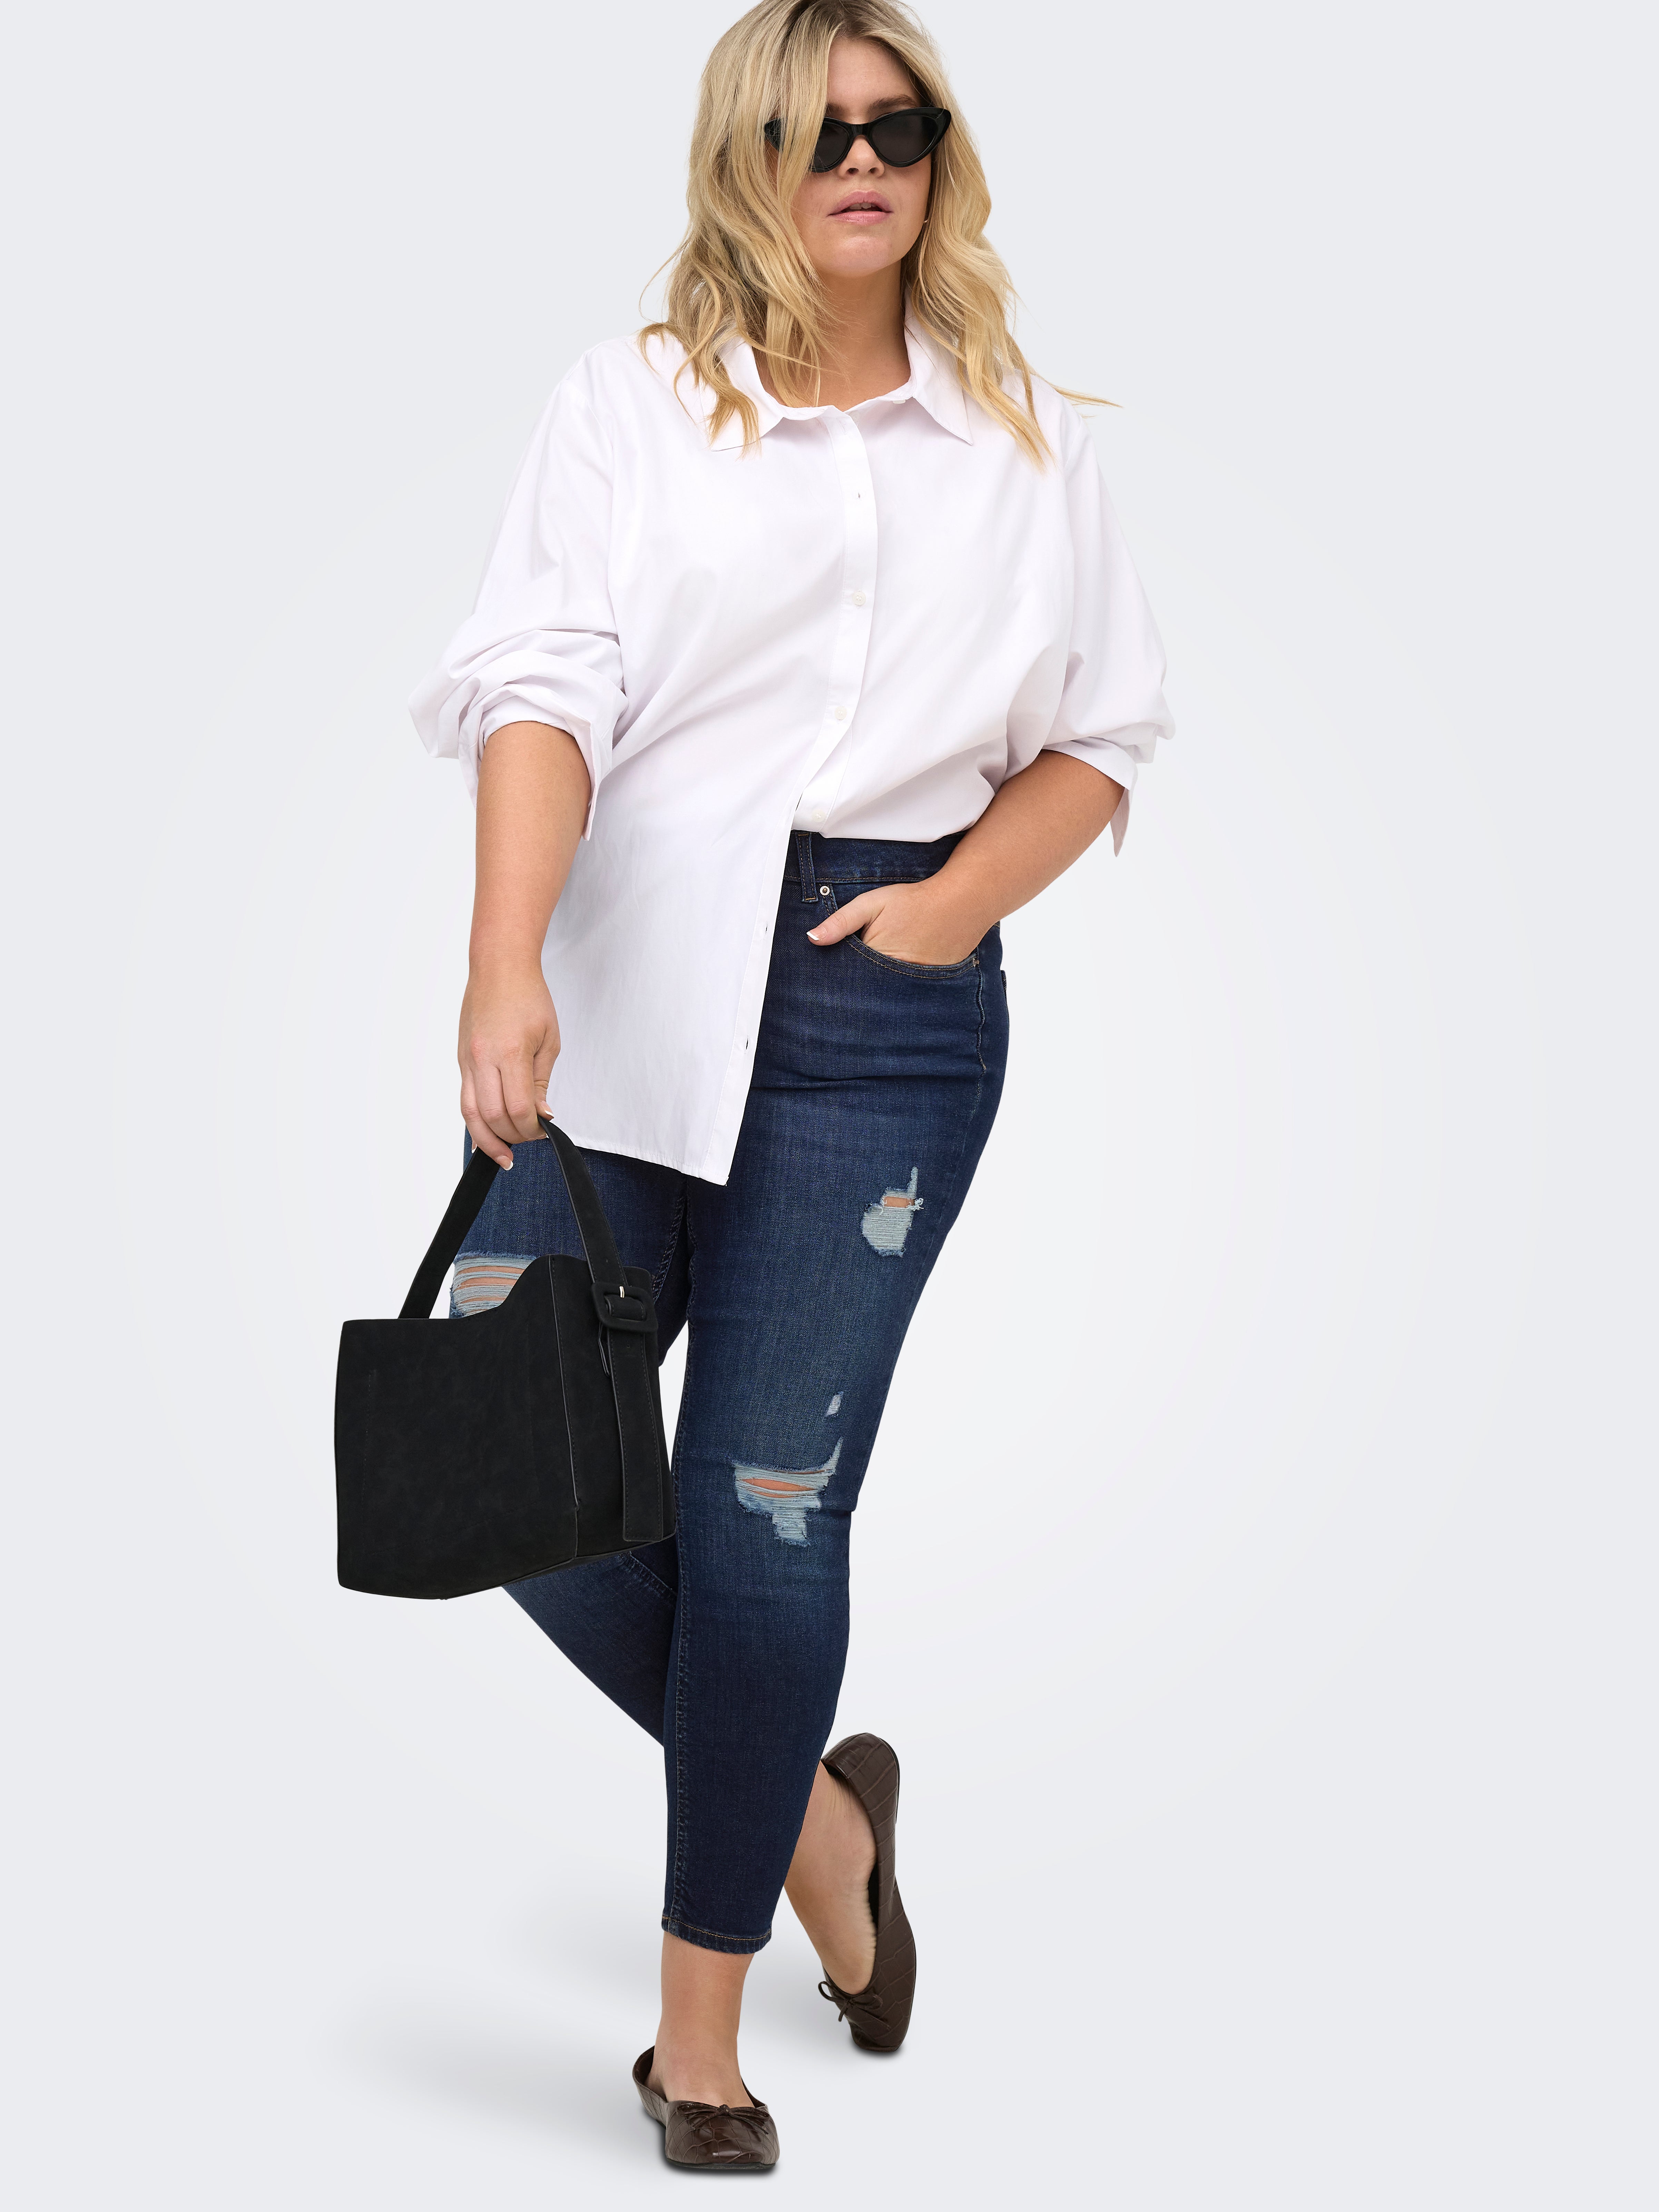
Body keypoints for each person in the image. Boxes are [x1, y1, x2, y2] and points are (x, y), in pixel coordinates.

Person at [410, 0, 1171, 2169]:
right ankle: (826, 1832)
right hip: (626, 977)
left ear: (939, 158)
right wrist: (501, 960)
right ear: (744, 155)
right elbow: (541, 686)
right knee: (504, 1463)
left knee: (761, 1519)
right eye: (815, 131)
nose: (860, 163)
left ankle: (699, 2035)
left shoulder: (1028, 440)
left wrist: (946, 907)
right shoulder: (630, 405)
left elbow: (1102, 735)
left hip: (880, 1012)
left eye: (897, 128)